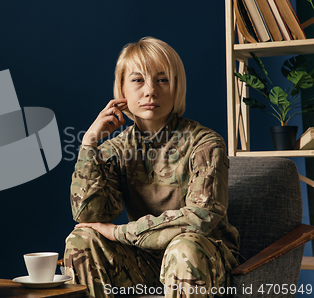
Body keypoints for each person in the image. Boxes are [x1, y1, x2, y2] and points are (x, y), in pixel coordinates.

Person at [63, 37, 240, 298]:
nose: (150, 91)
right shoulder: (116, 149)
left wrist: (118, 232)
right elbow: (89, 214)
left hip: (204, 257)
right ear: (122, 89)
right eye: (137, 80)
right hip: (145, 259)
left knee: (184, 248)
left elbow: (199, 220)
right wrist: (89, 144)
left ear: (176, 87)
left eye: (162, 80)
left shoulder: (205, 143)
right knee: (81, 241)